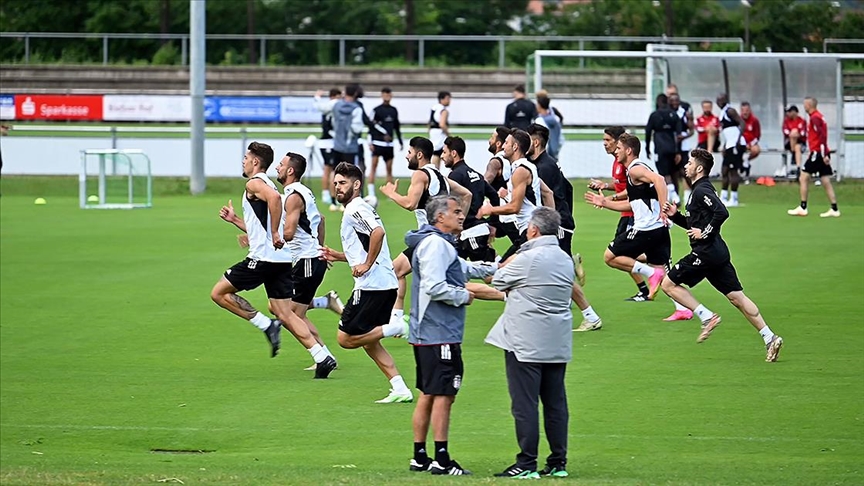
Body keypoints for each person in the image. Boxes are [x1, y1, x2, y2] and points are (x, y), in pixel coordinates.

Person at [211, 142, 338, 379]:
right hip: (281, 259)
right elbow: (267, 222)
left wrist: (277, 235)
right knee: (287, 313)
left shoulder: (255, 183)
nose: (243, 161)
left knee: (219, 293)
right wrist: (236, 220)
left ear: (255, 162)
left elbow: (275, 204)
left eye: (246, 157)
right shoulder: (271, 185)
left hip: (263, 258)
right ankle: (322, 357)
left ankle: (266, 325)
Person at [661, 148, 784, 362]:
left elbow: (722, 212)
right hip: (716, 253)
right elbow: (694, 225)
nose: (686, 166)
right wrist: (676, 217)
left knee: (668, 284)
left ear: (699, 168)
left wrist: (705, 233)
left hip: (706, 253)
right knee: (737, 297)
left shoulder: (701, 191)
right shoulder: (699, 190)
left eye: (690, 163)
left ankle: (706, 316)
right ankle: (770, 337)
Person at [405, 195, 497, 476]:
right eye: (456, 212)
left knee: (429, 393)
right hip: (438, 332)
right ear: (439, 217)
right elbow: (435, 286)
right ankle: (441, 459)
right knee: (444, 394)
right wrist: (464, 296)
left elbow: (462, 268)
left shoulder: (438, 242)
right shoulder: (436, 244)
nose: (461, 216)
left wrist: (496, 268)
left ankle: (420, 456)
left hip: (428, 332)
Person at [486, 207, 574, 480]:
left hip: (526, 340)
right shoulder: (564, 257)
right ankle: (558, 461)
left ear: (533, 230)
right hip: (557, 339)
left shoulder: (529, 257)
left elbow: (497, 280)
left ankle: (526, 462)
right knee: (555, 403)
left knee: (524, 404)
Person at [320, 162, 414, 403]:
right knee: (368, 341)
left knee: (345, 338)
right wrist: (340, 256)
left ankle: (396, 328)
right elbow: (363, 248)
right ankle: (400, 388)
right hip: (381, 284)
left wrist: (367, 265)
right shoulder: (356, 208)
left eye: (342, 183)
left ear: (357, 184)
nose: (337, 188)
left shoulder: (354, 209)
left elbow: (378, 233)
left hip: (373, 286)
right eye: (335, 184)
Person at [380, 136, 472, 327]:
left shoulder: (421, 175)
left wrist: (391, 193)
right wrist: (457, 222)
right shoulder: (440, 176)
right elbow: (466, 194)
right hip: (441, 238)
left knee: (396, 271)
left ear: (419, 154)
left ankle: (397, 321)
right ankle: (397, 320)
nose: (406, 156)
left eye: (409, 152)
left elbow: (410, 204)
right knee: (439, 281)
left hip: (429, 239)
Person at [527, 123, 601, 331]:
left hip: (556, 223)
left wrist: (560, 220)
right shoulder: (546, 163)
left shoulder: (544, 167)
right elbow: (567, 188)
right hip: (559, 221)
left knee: (556, 271)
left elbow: (546, 195)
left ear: (536, 142)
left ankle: (591, 316)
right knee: (554, 268)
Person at [584, 133, 670, 302]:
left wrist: (663, 208)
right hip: (657, 228)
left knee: (609, 257)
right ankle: (684, 309)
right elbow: (633, 204)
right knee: (664, 274)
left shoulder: (635, 169)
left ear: (629, 150)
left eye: (618, 148)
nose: (615, 151)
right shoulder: (637, 170)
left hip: (647, 227)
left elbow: (660, 180)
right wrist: (605, 203)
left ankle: (651, 274)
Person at [275, 152, 339, 372]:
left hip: (307, 262)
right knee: (291, 312)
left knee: (288, 313)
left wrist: (268, 239)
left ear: (290, 170)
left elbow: (290, 233)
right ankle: (323, 354)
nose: (277, 167)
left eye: (281, 164)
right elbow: (321, 219)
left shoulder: (292, 196)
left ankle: (324, 356)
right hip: (311, 259)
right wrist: (320, 248)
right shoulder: (304, 192)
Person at [588, 126, 650, 301]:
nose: (604, 144)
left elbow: (633, 188)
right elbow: (621, 184)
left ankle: (654, 266)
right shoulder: (617, 161)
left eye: (607, 140)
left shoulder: (628, 163)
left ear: (618, 141)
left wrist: (611, 198)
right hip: (625, 212)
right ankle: (644, 287)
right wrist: (605, 186)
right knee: (621, 254)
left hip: (632, 212)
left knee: (619, 254)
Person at [476, 128, 555, 263]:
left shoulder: (520, 171)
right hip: (535, 229)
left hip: (531, 230)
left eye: (506, 143)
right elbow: (548, 193)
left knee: (503, 272)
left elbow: (515, 207)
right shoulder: (528, 167)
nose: (503, 146)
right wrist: (550, 225)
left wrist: (489, 210)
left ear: (515, 147)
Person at [441, 136, 499, 262]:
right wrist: (493, 224)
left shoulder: (455, 176)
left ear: (454, 153)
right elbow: (494, 196)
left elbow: (450, 204)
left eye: (444, 152)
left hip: (470, 232)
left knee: (490, 273)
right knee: (452, 270)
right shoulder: (476, 174)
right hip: (474, 231)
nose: (442, 156)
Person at [788, 97, 840, 218]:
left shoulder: (815, 118)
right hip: (820, 152)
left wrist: (823, 154)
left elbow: (821, 136)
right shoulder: (818, 116)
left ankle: (803, 207)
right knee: (825, 180)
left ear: (809, 105)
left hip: (817, 153)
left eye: (805, 104)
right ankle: (834, 208)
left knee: (803, 177)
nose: (804, 107)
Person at [483, 126, 522, 249]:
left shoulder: (495, 162)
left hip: (505, 216)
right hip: (510, 213)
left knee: (524, 248)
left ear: (498, 143)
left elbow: (483, 184)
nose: (489, 140)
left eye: (492, 137)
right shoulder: (510, 160)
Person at [645, 94, 683, 205]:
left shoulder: (654, 115)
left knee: (663, 173)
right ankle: (674, 196)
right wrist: (678, 151)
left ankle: (675, 197)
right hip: (672, 147)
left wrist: (647, 148)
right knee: (673, 173)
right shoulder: (674, 115)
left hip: (660, 147)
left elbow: (648, 132)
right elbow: (679, 135)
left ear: (657, 102)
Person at [368, 87, 403, 195]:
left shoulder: (393, 110)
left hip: (389, 144)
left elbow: (396, 127)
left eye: (389, 94)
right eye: (385, 94)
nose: (387, 96)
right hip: (378, 142)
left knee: (389, 168)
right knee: (374, 166)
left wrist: (400, 141)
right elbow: (371, 126)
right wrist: (370, 141)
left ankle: (390, 193)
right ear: (382, 95)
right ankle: (371, 193)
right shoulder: (376, 110)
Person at [716, 93, 746, 207]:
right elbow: (727, 133)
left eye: (721, 100)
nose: (719, 102)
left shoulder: (730, 111)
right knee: (724, 170)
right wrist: (725, 145)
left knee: (733, 171)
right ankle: (723, 197)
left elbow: (742, 123)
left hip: (736, 144)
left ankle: (734, 198)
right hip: (729, 144)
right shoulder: (722, 112)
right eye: (717, 100)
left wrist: (738, 140)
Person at [313, 88, 341, 207]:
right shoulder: (332, 106)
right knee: (331, 169)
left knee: (328, 168)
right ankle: (329, 195)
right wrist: (317, 97)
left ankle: (328, 194)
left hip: (327, 142)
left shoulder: (329, 108)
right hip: (329, 141)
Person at [668, 93, 695, 203]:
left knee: (684, 171)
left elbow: (692, 131)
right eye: (672, 101)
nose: (674, 103)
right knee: (672, 172)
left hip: (682, 146)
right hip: (670, 144)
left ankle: (694, 192)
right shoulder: (667, 113)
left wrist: (684, 137)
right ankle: (676, 197)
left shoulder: (684, 113)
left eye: (676, 101)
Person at [332, 84, 365, 173]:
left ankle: (333, 187)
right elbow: (357, 128)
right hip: (350, 146)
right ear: (355, 93)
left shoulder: (337, 105)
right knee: (349, 175)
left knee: (335, 172)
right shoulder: (357, 108)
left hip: (337, 144)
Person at [534, 94, 562, 159]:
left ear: (539, 105)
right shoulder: (556, 119)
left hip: (544, 153)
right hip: (555, 151)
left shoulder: (539, 120)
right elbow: (561, 139)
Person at [739, 101, 762, 182]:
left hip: (751, 143)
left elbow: (757, 135)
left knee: (756, 150)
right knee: (726, 151)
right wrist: (743, 144)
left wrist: (750, 144)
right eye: (743, 110)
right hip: (740, 143)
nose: (745, 112)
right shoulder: (738, 120)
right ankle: (738, 167)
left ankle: (745, 162)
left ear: (750, 110)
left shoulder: (754, 120)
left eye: (747, 110)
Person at [428, 91, 451, 169]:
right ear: (442, 99)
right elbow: (442, 124)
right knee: (437, 153)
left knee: (435, 152)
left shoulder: (434, 108)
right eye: (447, 98)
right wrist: (448, 134)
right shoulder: (443, 110)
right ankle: (435, 171)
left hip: (433, 132)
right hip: (440, 134)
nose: (449, 101)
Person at [782, 105, 807, 173]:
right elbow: (785, 132)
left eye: (789, 112)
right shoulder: (786, 121)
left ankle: (798, 167)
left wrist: (796, 134)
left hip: (801, 143)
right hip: (788, 143)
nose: (787, 113)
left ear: (794, 112)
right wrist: (793, 134)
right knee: (794, 132)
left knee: (797, 147)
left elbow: (803, 133)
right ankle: (794, 155)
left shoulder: (802, 121)